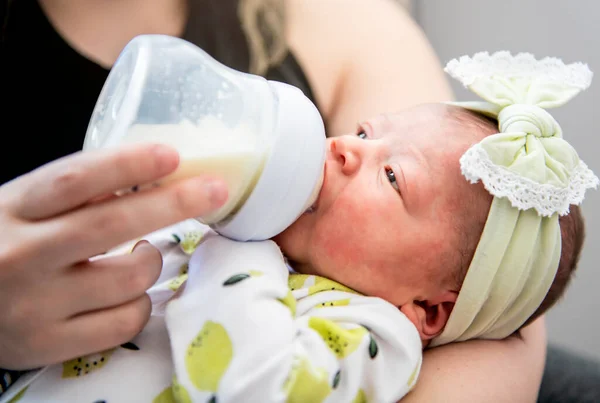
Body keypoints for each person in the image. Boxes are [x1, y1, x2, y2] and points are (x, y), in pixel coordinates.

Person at [0, 0, 552, 401]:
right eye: (361, 133)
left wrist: (242, 238)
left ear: (430, 310)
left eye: (390, 175)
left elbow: (247, 385)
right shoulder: (222, 238)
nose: (341, 149)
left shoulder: (367, 333)